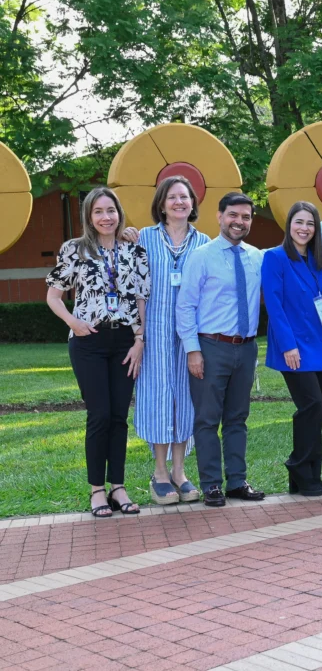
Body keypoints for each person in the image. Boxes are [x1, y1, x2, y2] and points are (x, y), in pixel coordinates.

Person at [45, 187, 150, 517]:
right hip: (88, 341)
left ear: (119, 213)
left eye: (111, 210)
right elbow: (53, 296)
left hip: (125, 341)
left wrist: (139, 340)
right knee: (100, 415)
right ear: (89, 217)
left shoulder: (134, 250)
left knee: (119, 417)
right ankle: (97, 490)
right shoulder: (74, 249)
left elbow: (140, 299)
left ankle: (118, 487)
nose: (106, 217)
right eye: (99, 212)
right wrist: (73, 322)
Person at [176, 192, 265, 507]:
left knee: (238, 418)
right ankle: (212, 484)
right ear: (219, 216)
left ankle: (237, 482)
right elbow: (185, 306)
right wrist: (193, 350)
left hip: (246, 348)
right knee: (207, 419)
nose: (239, 222)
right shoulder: (201, 256)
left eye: (246, 217)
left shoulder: (257, 257)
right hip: (211, 347)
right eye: (233, 215)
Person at [135, 176, 209, 505]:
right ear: (162, 205)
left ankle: (180, 472)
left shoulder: (204, 242)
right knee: (158, 399)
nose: (179, 202)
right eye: (172, 197)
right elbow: (133, 287)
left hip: (190, 336)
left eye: (185, 197)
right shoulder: (143, 238)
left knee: (185, 398)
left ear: (193, 203)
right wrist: (138, 334)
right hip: (153, 335)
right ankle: (160, 473)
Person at [262, 202, 322, 496]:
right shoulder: (274, 257)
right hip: (293, 345)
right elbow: (274, 306)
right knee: (310, 404)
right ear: (288, 224)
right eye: (299, 222)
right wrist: (288, 346)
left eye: (310, 223)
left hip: (318, 342)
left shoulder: (318, 261)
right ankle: (299, 467)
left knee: (318, 409)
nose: (304, 228)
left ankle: (311, 474)